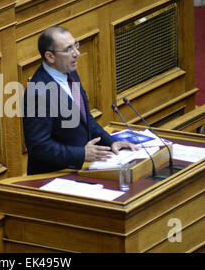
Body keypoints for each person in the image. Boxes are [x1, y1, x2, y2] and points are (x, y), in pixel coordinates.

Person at [23, 26, 138, 175]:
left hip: (82, 169)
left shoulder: (70, 72)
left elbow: (85, 119)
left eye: (75, 45)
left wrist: (111, 142)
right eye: (68, 49)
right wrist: (81, 154)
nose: (77, 53)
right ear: (50, 57)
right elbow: (39, 147)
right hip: (55, 177)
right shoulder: (37, 93)